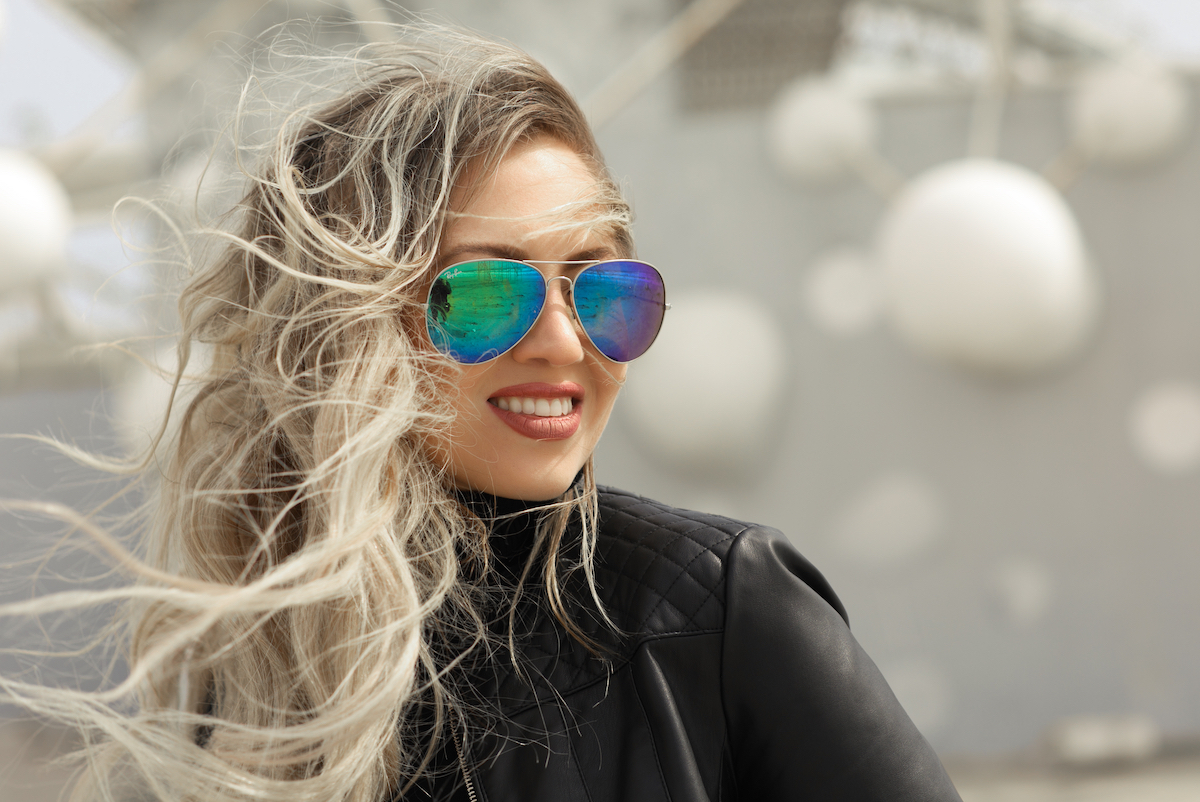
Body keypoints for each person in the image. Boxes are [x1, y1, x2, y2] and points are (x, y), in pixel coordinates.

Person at [2, 26, 961, 802]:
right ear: (339, 328)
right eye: (483, 295)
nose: (563, 341)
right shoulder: (257, 660)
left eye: (604, 292)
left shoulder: (722, 616)